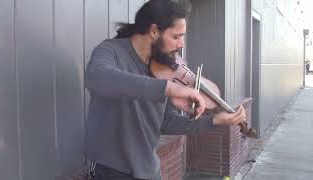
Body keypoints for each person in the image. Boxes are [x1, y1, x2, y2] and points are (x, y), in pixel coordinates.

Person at [84, 0, 246, 179]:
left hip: (150, 171)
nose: (182, 44)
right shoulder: (111, 51)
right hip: (111, 172)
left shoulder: (162, 68)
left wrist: (214, 121)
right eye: (176, 36)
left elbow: (166, 122)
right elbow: (97, 78)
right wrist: (169, 88)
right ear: (154, 31)